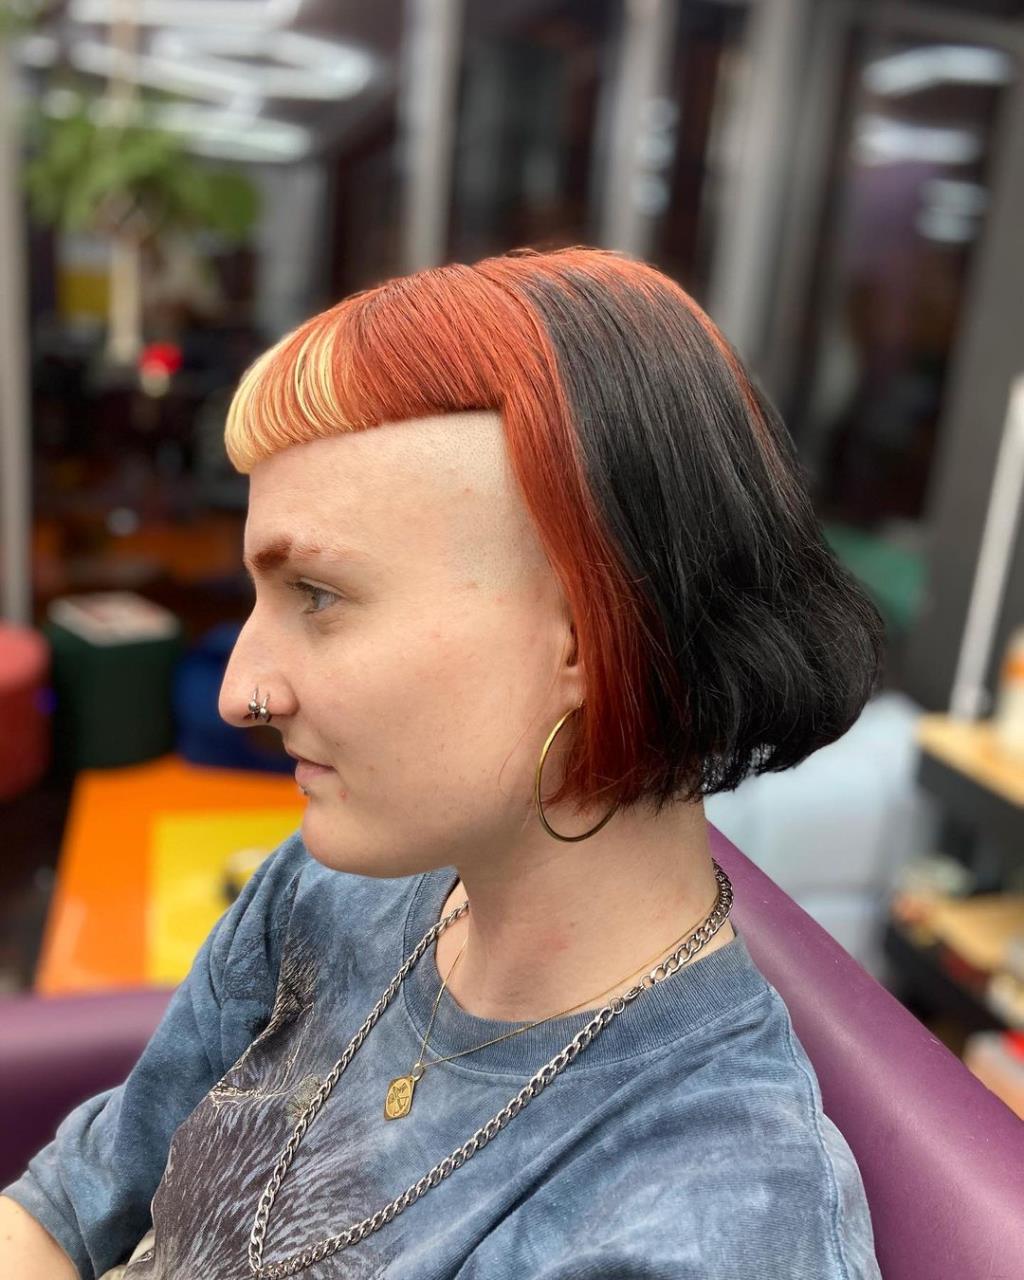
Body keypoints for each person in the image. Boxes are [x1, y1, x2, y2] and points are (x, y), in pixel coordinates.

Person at [1, 246, 886, 1279]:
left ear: (587, 638)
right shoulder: (325, 894)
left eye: (317, 595)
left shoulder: (704, 1223)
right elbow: (70, 1207)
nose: (242, 691)